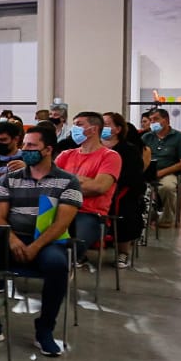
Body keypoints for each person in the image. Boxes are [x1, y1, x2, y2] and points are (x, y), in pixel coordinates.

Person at [0, 125, 81, 356]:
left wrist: (36, 246)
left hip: (48, 241)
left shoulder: (68, 181)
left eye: (31, 145)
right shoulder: (11, 179)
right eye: (24, 144)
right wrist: (13, 240)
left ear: (48, 149)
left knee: (57, 266)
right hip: (12, 238)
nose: (24, 149)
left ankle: (45, 329)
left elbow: (61, 224)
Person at [55, 111, 122, 271]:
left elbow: (99, 187)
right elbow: (50, 183)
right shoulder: (66, 154)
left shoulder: (110, 157)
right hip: (58, 209)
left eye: (79, 124)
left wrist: (67, 181)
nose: (74, 128)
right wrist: (82, 180)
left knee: (67, 252)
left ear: (93, 129)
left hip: (89, 214)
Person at [103, 111, 149, 268]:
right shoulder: (95, 147)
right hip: (96, 188)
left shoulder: (128, 150)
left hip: (122, 190)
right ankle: (80, 249)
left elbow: (133, 176)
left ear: (118, 129)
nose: (102, 127)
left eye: (107, 124)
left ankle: (123, 252)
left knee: (125, 208)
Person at [142, 108, 181, 226]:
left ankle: (166, 219)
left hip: (168, 173)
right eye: (151, 120)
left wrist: (162, 172)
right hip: (147, 172)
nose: (153, 122)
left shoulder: (180, 138)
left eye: (156, 119)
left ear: (166, 120)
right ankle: (146, 214)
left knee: (167, 188)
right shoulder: (146, 138)